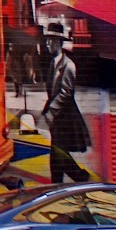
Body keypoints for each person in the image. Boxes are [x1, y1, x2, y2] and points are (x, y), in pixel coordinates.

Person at [40, 24, 90, 183]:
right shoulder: (53, 64)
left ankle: (78, 177)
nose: (48, 44)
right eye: (47, 41)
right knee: (57, 152)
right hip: (58, 116)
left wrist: (51, 112)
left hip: (65, 116)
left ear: (59, 43)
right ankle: (60, 182)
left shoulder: (68, 65)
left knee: (59, 152)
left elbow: (65, 92)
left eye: (51, 41)